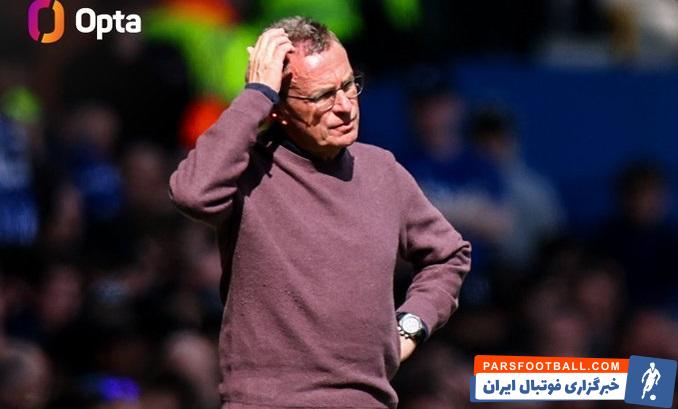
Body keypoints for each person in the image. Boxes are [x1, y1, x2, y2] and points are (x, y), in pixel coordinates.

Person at [169, 16, 471, 409]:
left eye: (349, 85)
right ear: (278, 110)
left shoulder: (381, 170)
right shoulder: (247, 168)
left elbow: (449, 256)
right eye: (322, 97)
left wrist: (411, 325)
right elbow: (192, 194)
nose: (345, 107)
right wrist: (256, 95)